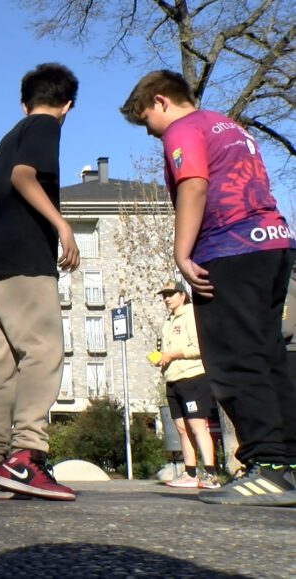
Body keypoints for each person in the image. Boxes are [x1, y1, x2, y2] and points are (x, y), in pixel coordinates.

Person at [121, 70, 296, 507]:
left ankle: (268, 465)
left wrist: (182, 253)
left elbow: (194, 185)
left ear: (160, 101)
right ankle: (288, 463)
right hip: (273, 245)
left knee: (235, 357)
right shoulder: (228, 125)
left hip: (230, 249)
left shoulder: (183, 129)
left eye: (146, 120)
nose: (150, 132)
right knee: (269, 355)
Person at [0, 63, 80, 502]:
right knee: (44, 349)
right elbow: (24, 175)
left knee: (1, 363)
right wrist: (62, 225)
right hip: (23, 258)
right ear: (67, 106)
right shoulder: (44, 126)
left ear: (23, 102)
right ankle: (27, 456)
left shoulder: (8, 136)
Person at [155, 280, 219, 489]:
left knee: (197, 425)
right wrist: (160, 358)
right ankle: (190, 473)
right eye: (164, 295)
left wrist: (171, 355)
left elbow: (199, 347)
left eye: (171, 294)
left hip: (192, 378)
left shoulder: (191, 315)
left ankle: (211, 474)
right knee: (182, 428)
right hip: (173, 379)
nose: (166, 298)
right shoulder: (168, 321)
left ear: (183, 295)